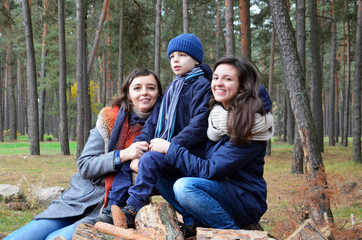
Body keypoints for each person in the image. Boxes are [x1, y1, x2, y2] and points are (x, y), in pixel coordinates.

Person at [4, 68, 162, 240]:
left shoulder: (164, 129)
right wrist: (122, 155)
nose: (144, 93)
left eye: (151, 88)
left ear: (159, 93)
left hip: (114, 210)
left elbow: (158, 179)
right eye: (137, 88)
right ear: (128, 93)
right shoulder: (109, 119)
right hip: (79, 199)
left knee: (56, 239)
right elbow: (85, 166)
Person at [94, 33, 213, 227]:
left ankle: (132, 208)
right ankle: (114, 207)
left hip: (185, 153)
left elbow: (199, 125)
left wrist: (170, 145)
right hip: (163, 149)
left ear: (196, 59)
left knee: (149, 159)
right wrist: (138, 145)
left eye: (182, 55)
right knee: (128, 159)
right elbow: (153, 123)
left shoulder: (202, 86)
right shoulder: (174, 87)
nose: (175, 60)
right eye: (172, 56)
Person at [150, 56, 274, 232]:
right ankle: (193, 224)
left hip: (244, 199)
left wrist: (171, 149)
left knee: (184, 187)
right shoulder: (216, 117)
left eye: (228, 79)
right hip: (216, 189)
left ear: (242, 86)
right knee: (158, 170)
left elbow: (210, 170)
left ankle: (232, 233)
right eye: (215, 78)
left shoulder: (250, 126)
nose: (218, 83)